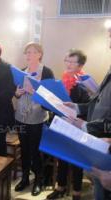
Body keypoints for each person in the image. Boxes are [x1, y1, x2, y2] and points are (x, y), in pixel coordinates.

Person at [64, 29, 111, 200]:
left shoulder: (81, 80)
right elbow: (98, 102)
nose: (109, 41)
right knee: (99, 188)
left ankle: (76, 191)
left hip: (101, 135)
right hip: (97, 138)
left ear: (80, 65)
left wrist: (84, 125)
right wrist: (76, 107)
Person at [46, 49, 90, 200]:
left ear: (81, 65)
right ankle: (61, 187)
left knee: (77, 160)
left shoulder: (85, 84)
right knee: (62, 157)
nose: (69, 64)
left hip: (77, 127)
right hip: (61, 124)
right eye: (67, 61)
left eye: (73, 62)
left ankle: (77, 191)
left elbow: (88, 108)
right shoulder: (62, 80)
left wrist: (74, 113)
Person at [14, 42, 54, 196]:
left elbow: (51, 98)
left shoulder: (47, 72)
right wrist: (17, 93)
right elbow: (16, 94)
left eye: (32, 52)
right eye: (27, 52)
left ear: (40, 54)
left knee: (35, 150)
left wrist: (35, 92)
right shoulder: (22, 72)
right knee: (24, 149)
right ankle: (24, 178)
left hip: (37, 118)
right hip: (21, 117)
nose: (29, 55)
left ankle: (38, 179)